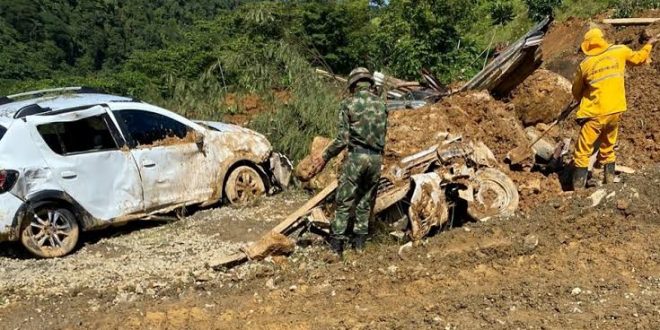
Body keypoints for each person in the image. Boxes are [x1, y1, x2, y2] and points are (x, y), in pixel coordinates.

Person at [311, 67, 388, 256]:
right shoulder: (382, 104)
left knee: (344, 200)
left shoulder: (349, 104)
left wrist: (325, 156)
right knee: (365, 201)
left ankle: (336, 246)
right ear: (369, 83)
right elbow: (383, 133)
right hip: (376, 159)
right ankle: (359, 245)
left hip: (356, 158)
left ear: (353, 85)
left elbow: (343, 139)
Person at [571, 28, 657, 189]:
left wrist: (584, 98)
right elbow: (639, 59)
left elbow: (576, 91)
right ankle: (609, 184)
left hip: (594, 114)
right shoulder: (620, 51)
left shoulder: (585, 65)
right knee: (607, 147)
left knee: (582, 152)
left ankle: (577, 191)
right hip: (615, 111)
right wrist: (649, 45)